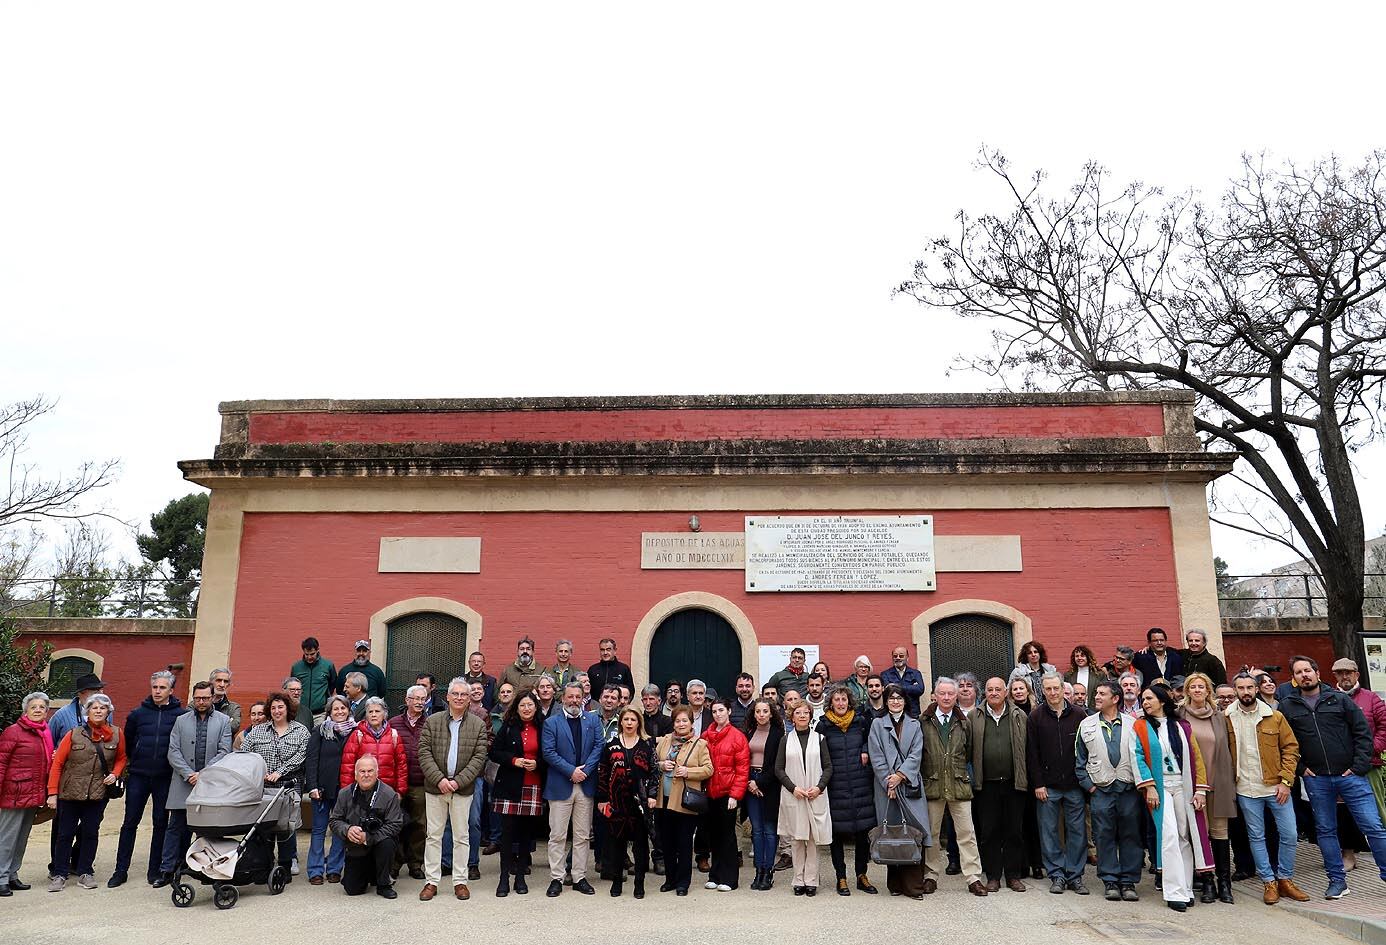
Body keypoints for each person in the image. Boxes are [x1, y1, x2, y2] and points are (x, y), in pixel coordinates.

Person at [1279, 654, 1386, 899]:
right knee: (1326, 830)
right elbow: (1285, 742)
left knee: (1373, 827)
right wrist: (1300, 768)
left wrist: (1359, 766)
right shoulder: (1288, 706)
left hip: (1351, 776)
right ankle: (1337, 881)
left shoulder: (1338, 699)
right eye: (1298, 672)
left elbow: (1362, 733)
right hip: (1317, 779)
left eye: (1308, 670)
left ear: (1317, 673)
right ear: (1294, 679)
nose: (1304, 675)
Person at [1226, 672, 1309, 904]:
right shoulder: (1227, 717)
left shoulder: (1274, 716)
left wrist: (1285, 781)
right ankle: (1268, 881)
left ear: (1256, 689)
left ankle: (1285, 878)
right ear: (1236, 691)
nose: (1246, 692)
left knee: (1290, 834)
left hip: (1275, 787)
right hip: (1245, 788)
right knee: (1256, 835)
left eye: (1250, 687)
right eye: (1241, 688)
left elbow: (1291, 749)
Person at [1131, 683, 1211, 912]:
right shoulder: (1141, 727)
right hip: (1160, 786)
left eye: (1148, 699)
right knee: (1168, 835)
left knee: (1184, 835)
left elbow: (1196, 758)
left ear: (1162, 700)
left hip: (1183, 784)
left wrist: (1200, 790)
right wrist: (1150, 788)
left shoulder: (1182, 726)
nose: (1145, 703)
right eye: (1143, 700)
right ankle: (1173, 892)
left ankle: (1185, 888)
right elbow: (1137, 757)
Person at [110, 670, 184, 889]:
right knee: (129, 823)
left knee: (160, 823)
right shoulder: (137, 714)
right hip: (139, 776)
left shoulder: (180, 715)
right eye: (155, 687)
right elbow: (129, 742)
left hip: (164, 777)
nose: (158, 691)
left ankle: (155, 870)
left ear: (171, 690)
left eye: (162, 687)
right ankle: (120, 870)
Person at [417, 677, 488, 901]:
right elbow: (424, 753)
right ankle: (432, 881)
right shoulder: (432, 721)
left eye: (463, 695)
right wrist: (440, 779)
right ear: (447, 697)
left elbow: (479, 757)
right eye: (455, 694)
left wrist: (457, 781)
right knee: (434, 836)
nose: (459, 698)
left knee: (461, 836)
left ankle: (460, 881)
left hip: (462, 789)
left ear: (469, 699)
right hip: (436, 788)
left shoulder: (477, 724)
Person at [46, 693, 126, 891]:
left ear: (108, 711)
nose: (98, 711)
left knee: (90, 833)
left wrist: (115, 774)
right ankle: (59, 873)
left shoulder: (117, 733)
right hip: (70, 792)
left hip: (97, 794)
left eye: (102, 708)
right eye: (94, 708)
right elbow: (58, 764)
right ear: (87, 711)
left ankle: (85, 872)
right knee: (64, 834)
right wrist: (52, 793)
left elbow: (122, 757)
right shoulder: (73, 733)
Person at [160, 680, 233, 885]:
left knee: (206, 828)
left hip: (209, 785)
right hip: (183, 782)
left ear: (212, 698)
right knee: (175, 827)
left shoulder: (224, 721)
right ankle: (168, 870)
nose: (201, 701)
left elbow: (224, 751)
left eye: (205, 698)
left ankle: (204, 868)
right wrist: (188, 773)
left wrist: (203, 774)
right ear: (193, 698)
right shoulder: (181, 720)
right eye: (198, 698)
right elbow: (172, 751)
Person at [1075, 680, 1142, 902]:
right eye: (1097, 693)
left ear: (1115, 699)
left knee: (1130, 834)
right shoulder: (1086, 724)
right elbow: (1079, 760)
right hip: (1101, 790)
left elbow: (1142, 757)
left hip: (1128, 788)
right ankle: (1110, 880)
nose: (1097, 697)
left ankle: (1129, 880)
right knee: (1104, 836)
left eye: (1102, 694)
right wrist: (1090, 787)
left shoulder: (1134, 725)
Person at [918, 677, 985, 896]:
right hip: (933, 784)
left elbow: (970, 752)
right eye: (942, 693)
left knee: (967, 833)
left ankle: (973, 877)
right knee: (932, 834)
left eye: (950, 694)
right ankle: (930, 875)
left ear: (956, 696)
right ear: (934, 695)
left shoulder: (964, 722)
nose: (946, 697)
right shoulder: (923, 721)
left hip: (959, 784)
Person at [1178, 671, 1239, 903]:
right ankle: (1207, 883)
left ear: (1208, 691)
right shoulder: (1179, 715)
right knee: (1198, 834)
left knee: (1220, 834)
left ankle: (1225, 883)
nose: (1197, 690)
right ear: (1187, 691)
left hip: (1219, 783)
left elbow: (1230, 749)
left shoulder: (1219, 717)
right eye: (1192, 687)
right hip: (1192, 786)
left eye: (1201, 687)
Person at [1027, 672, 1087, 895]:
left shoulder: (1079, 715)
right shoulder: (1036, 717)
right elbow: (1031, 754)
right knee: (1049, 832)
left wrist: (1084, 780)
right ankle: (1057, 875)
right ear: (1043, 691)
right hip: (1047, 786)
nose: (1052, 693)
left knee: (1077, 831)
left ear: (1063, 689)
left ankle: (1075, 875)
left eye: (1056, 688)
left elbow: (1085, 750)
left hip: (1074, 785)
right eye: (1048, 689)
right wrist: (1038, 783)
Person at [541, 680, 603, 897]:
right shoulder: (552, 723)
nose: (574, 700)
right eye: (570, 697)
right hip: (561, 785)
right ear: (563, 699)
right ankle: (556, 878)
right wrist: (571, 771)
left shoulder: (593, 720)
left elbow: (599, 746)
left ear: (583, 698)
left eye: (578, 697)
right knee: (557, 835)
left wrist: (584, 770)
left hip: (585, 784)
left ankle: (579, 876)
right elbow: (548, 752)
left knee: (582, 835)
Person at [868, 685, 930, 897]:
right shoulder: (877, 724)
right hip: (886, 787)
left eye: (899, 698)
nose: (895, 702)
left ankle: (914, 887)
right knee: (892, 832)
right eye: (891, 698)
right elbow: (876, 756)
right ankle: (895, 885)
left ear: (905, 701)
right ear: (886, 701)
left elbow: (916, 753)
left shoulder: (915, 724)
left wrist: (900, 776)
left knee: (914, 832)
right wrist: (889, 782)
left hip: (909, 784)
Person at [815, 685, 876, 896]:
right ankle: (841, 876)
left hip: (860, 784)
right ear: (830, 703)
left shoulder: (860, 722)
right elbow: (818, 755)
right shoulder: (823, 726)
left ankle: (862, 875)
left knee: (862, 833)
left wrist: (866, 750)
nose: (840, 703)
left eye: (843, 699)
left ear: (849, 702)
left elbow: (871, 742)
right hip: (835, 786)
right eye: (836, 700)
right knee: (837, 835)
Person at [969, 676, 1028, 893]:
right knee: (989, 831)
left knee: (1014, 831)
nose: (993, 693)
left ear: (1006, 692)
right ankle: (993, 876)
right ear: (984, 692)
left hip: (1014, 783)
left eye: (998, 689)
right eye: (990, 689)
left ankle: (1013, 875)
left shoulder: (1019, 715)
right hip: (986, 785)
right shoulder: (974, 716)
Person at [242, 691, 309, 876]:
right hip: (263, 787)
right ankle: (263, 866)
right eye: (273, 708)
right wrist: (258, 771)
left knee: (285, 827)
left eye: (281, 707)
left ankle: (285, 867)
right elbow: (244, 753)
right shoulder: (258, 731)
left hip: (288, 786)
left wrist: (280, 772)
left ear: (288, 709)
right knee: (264, 827)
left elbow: (302, 756)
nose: (277, 711)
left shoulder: (301, 731)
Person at [488, 690, 547, 895]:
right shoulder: (509, 726)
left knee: (525, 835)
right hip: (509, 786)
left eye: (530, 705)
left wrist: (537, 763)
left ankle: (520, 878)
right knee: (507, 834)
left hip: (533, 785)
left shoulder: (543, 727)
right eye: (522, 705)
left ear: (535, 707)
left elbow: (548, 755)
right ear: (517, 707)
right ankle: (504, 878)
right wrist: (514, 760)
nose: (526, 709)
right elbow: (494, 752)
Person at [45, 673, 102, 883]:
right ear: (81, 694)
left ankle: (79, 863)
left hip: (93, 783)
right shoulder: (62, 715)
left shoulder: (104, 714)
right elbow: (49, 743)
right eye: (94, 691)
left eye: (100, 690)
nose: (99, 694)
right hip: (67, 782)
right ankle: (57, 865)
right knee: (62, 826)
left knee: (89, 826)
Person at [595, 707, 656, 898]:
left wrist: (652, 796)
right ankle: (616, 882)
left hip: (639, 803)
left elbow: (654, 772)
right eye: (626, 719)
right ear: (620, 722)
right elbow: (603, 772)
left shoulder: (646, 745)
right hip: (616, 801)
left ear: (639, 722)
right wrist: (602, 799)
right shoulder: (611, 745)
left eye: (633, 719)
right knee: (617, 844)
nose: (629, 723)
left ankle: (639, 883)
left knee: (640, 845)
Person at [653, 706, 712, 896]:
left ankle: (683, 883)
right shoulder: (664, 741)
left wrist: (688, 772)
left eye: (684, 721)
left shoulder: (700, 744)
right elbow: (652, 762)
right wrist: (661, 765)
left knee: (684, 843)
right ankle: (670, 879)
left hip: (685, 801)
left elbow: (708, 769)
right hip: (665, 799)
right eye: (677, 721)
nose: (681, 724)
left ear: (691, 722)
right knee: (667, 842)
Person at [1333, 657, 1386, 871]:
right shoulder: (1329, 698)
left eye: (1349, 672)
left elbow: (1384, 727)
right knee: (1344, 815)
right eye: (1340, 673)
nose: (1345, 677)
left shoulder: (1371, 698)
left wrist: (1369, 750)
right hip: (1341, 769)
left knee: (1378, 811)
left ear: (1357, 674)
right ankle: (1348, 855)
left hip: (1369, 765)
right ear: (1335, 676)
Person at [775, 701, 832, 896]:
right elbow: (779, 769)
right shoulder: (785, 740)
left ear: (810, 716)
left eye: (805, 713)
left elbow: (828, 767)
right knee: (797, 839)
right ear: (792, 717)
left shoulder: (820, 738)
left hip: (815, 794)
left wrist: (819, 787)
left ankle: (812, 880)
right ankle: (798, 879)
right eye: (798, 713)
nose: (802, 716)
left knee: (813, 839)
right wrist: (793, 788)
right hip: (795, 795)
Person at [0, 692, 53, 896]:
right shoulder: (13, 732)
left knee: (21, 838)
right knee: (6, 838)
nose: (38, 710)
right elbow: (2, 762)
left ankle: (12, 875)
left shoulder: (44, 732)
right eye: (34, 707)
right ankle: (1, 877)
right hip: (13, 794)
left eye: (42, 707)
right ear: (26, 711)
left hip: (33, 793)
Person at [329, 755, 404, 898]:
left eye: (370, 771)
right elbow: (334, 821)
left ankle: (384, 884)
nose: (366, 775)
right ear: (355, 774)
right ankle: (369, 873)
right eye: (362, 771)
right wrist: (348, 830)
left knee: (388, 843)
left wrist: (368, 837)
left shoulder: (389, 794)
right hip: (356, 844)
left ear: (377, 773)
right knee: (352, 890)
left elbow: (395, 824)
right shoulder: (344, 794)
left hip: (379, 842)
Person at [305, 695, 353, 885]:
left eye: (343, 708)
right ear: (329, 712)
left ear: (349, 710)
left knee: (340, 831)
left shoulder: (354, 732)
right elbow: (311, 760)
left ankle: (334, 869)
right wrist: (313, 786)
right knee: (318, 830)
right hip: (322, 789)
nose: (340, 712)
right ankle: (315, 870)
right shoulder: (319, 731)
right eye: (336, 709)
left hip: (345, 790)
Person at [702, 698, 748, 892]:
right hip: (709, 793)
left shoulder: (738, 737)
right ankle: (716, 874)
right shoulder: (706, 736)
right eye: (714, 711)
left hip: (727, 793)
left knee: (728, 837)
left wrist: (735, 795)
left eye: (721, 710)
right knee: (713, 836)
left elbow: (742, 769)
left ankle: (730, 878)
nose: (718, 714)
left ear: (729, 711)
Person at [387, 685, 430, 880]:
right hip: (396, 784)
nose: (420, 702)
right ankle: (395, 863)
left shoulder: (430, 723)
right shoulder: (394, 723)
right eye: (416, 698)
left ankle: (415, 864)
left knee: (419, 825)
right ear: (407, 700)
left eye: (423, 699)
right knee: (395, 824)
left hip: (421, 782)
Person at [742, 698, 784, 891]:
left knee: (769, 830)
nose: (761, 715)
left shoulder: (777, 733)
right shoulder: (749, 731)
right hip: (749, 780)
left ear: (771, 713)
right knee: (756, 831)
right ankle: (758, 870)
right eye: (758, 711)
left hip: (769, 784)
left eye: (765, 711)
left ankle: (768, 872)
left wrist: (758, 783)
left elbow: (777, 764)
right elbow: (744, 758)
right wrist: (750, 782)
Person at [339, 697, 409, 797]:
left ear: (384, 714)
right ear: (366, 715)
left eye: (377, 711)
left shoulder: (394, 735)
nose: (374, 715)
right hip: (362, 792)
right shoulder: (358, 735)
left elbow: (401, 766)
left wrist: (400, 792)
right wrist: (348, 793)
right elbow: (347, 767)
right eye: (370, 712)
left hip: (387, 791)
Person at [291, 637, 336, 726]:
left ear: (318, 650)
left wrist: (324, 698)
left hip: (320, 713)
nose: (309, 657)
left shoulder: (328, 666)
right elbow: (292, 686)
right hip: (301, 713)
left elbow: (333, 683)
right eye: (306, 654)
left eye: (312, 654)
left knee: (317, 737)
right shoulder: (296, 667)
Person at [881, 646, 926, 718]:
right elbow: (887, 691)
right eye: (895, 656)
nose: (898, 658)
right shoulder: (885, 674)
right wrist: (911, 687)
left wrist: (896, 687)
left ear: (907, 658)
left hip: (912, 713)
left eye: (901, 656)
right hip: (893, 714)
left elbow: (920, 689)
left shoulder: (915, 673)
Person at [208, 668, 243, 746]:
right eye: (218, 680)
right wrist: (225, 722)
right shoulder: (196, 704)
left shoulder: (234, 707)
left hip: (224, 751)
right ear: (211, 682)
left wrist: (206, 723)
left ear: (229, 685)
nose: (222, 685)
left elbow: (234, 727)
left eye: (226, 681)